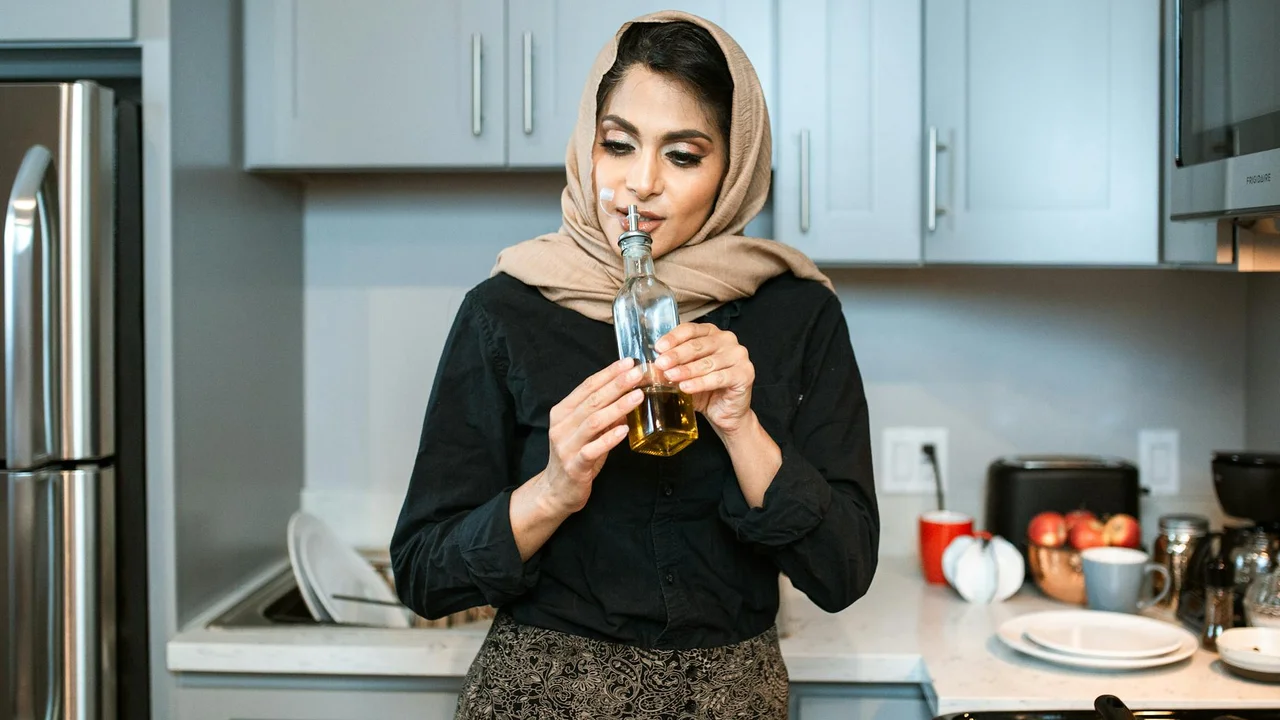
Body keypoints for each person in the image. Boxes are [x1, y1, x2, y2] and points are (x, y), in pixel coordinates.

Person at [390, 10, 879, 719]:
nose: (639, 183)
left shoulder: (797, 314)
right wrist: (553, 491)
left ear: (734, 167)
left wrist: (743, 428)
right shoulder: (504, 310)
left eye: (683, 156)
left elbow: (843, 571)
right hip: (537, 697)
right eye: (618, 145)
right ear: (587, 146)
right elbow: (423, 574)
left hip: (730, 701)